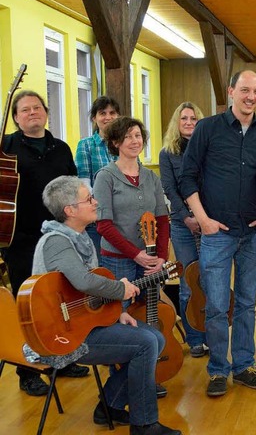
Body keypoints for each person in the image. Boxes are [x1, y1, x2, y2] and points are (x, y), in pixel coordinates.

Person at [33, 176, 181, 435]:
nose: (95, 202)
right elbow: (84, 281)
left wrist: (117, 313)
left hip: (79, 325)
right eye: (88, 199)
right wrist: (120, 289)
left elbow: (81, 296)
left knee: (156, 338)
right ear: (70, 210)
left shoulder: (78, 238)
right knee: (145, 343)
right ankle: (144, 424)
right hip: (60, 336)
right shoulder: (57, 241)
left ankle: (110, 406)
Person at [181, 70, 256, 397]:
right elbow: (187, 177)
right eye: (245, 90)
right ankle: (218, 371)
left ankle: (243, 367)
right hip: (217, 233)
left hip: (254, 233)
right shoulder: (207, 128)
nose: (251, 97)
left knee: (248, 304)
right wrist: (203, 219)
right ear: (231, 91)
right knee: (218, 305)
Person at [0, 90, 88, 396]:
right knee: (28, 306)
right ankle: (29, 370)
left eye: (37, 108)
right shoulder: (5, 147)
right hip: (20, 239)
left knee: (60, 301)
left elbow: (75, 189)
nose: (32, 113)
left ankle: (61, 360)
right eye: (25, 110)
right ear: (15, 117)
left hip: (58, 239)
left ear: (46, 112)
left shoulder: (60, 148)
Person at [94, 117, 169, 288]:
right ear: (115, 142)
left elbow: (163, 220)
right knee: (121, 311)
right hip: (117, 260)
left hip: (151, 258)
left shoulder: (151, 177)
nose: (135, 141)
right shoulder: (105, 177)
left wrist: (162, 257)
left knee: (147, 311)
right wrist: (135, 254)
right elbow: (103, 225)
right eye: (128, 137)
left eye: (138, 135)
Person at [159, 102, 207, 358]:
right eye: (184, 118)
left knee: (211, 280)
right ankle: (195, 337)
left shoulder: (208, 149)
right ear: (176, 123)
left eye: (194, 118)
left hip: (209, 224)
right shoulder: (167, 153)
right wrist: (187, 217)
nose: (189, 122)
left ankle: (212, 334)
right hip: (182, 225)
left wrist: (203, 217)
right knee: (189, 282)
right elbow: (169, 189)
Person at [75, 96, 120, 261]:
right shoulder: (85, 145)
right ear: (94, 118)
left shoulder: (125, 144)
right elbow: (85, 184)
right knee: (100, 268)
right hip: (98, 221)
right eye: (102, 113)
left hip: (124, 220)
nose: (108, 117)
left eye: (112, 113)